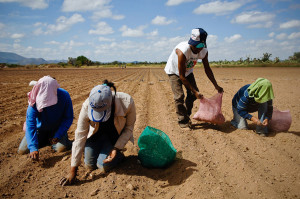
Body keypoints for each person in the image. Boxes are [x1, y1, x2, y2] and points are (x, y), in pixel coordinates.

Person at [60, 80, 136, 186]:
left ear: (112, 102)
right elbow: (80, 135)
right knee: (89, 165)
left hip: (114, 138)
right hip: (95, 136)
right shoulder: (87, 105)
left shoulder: (127, 102)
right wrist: (73, 171)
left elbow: (129, 128)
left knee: (103, 166)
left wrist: (116, 148)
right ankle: (103, 150)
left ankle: (119, 155)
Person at [164, 28, 223, 128]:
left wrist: (216, 85)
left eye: (200, 45)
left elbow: (207, 69)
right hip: (174, 71)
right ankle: (183, 121)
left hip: (188, 71)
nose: (197, 48)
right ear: (191, 42)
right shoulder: (182, 51)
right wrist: (195, 91)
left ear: (203, 44)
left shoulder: (203, 51)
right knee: (179, 96)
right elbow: (181, 76)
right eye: (194, 44)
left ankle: (186, 114)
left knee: (192, 95)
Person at [18, 76, 73, 161]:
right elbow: (30, 124)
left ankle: (62, 141)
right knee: (23, 151)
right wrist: (33, 148)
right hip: (39, 129)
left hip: (56, 129)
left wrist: (58, 135)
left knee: (61, 149)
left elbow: (68, 118)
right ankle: (46, 141)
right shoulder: (35, 98)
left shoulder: (64, 96)